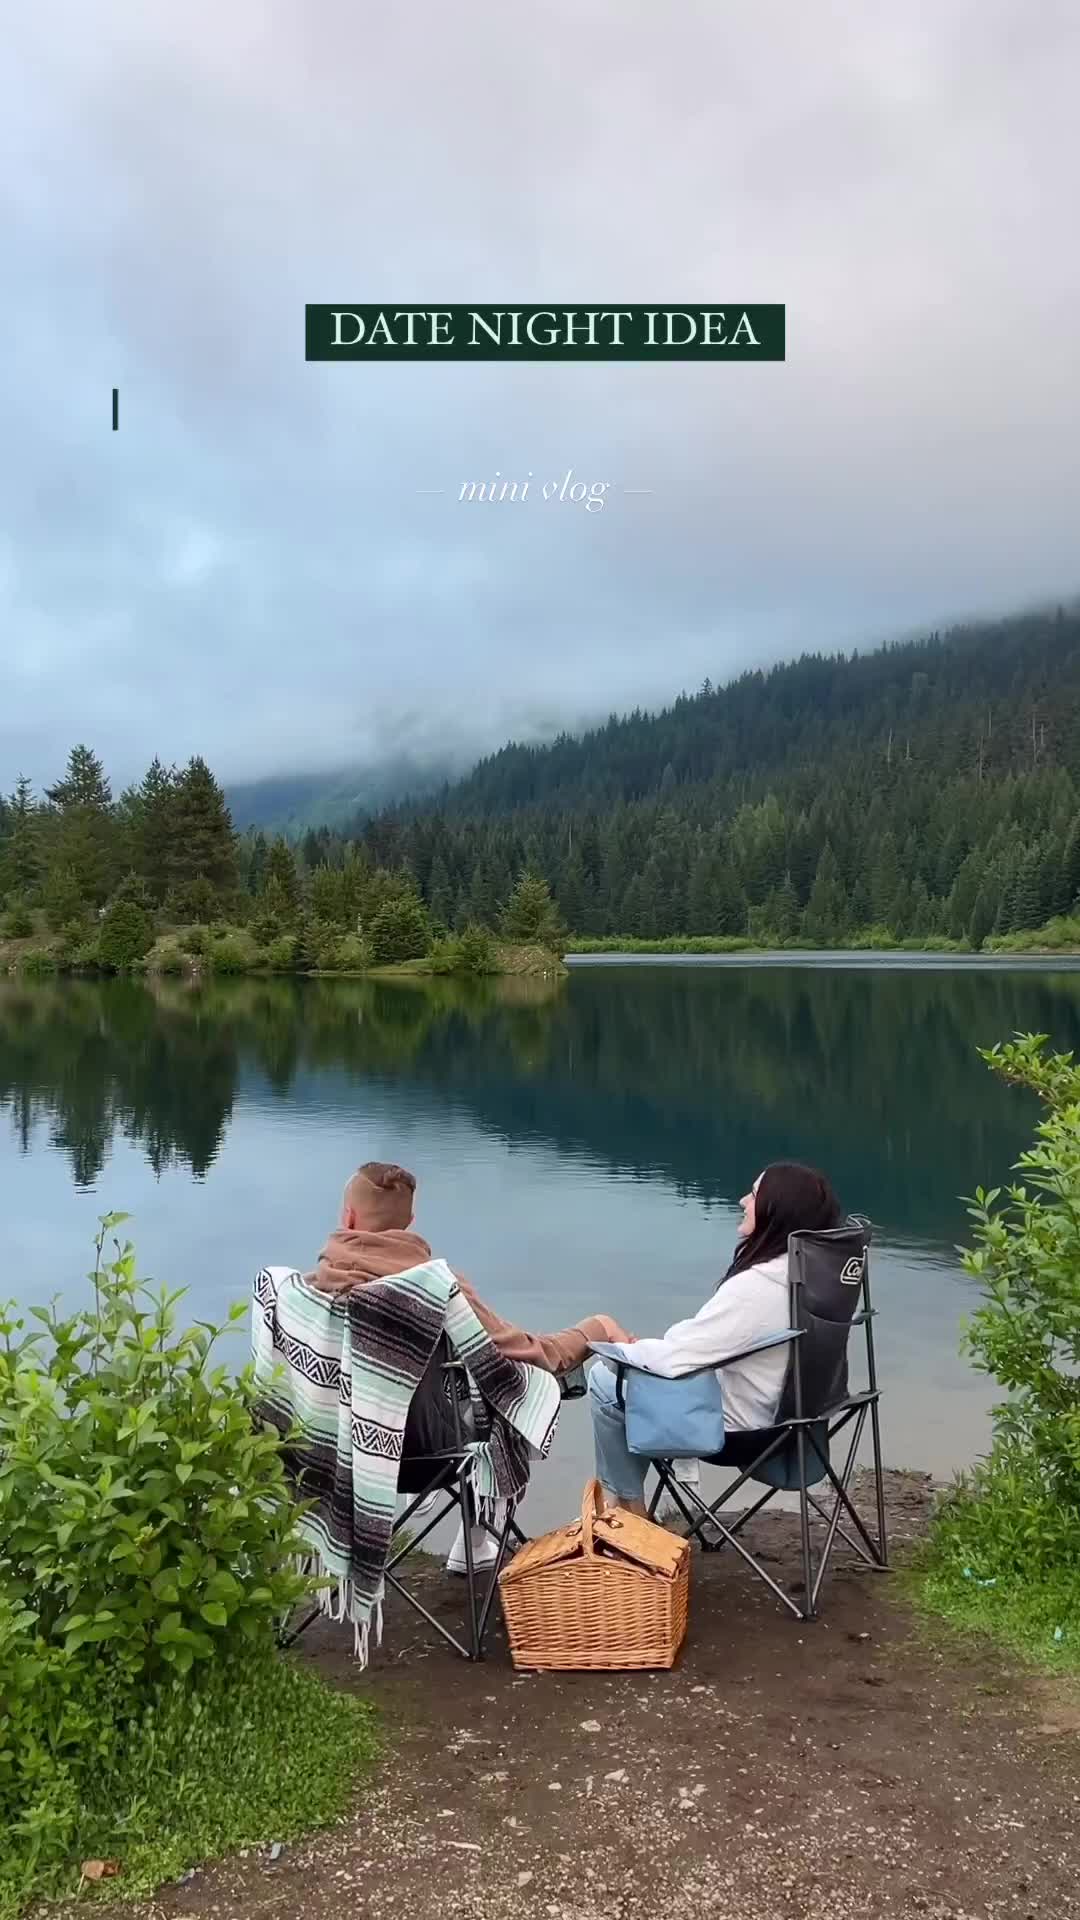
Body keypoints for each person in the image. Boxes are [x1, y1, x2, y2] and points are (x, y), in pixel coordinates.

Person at [308, 1160, 629, 1567]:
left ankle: (467, 1543)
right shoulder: (438, 1288)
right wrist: (593, 1330)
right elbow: (530, 1353)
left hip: (338, 1447)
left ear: (348, 1216)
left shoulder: (311, 1292)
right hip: (430, 1453)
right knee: (510, 1391)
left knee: (474, 1389)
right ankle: (475, 1541)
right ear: (409, 1222)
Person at [589, 1162, 842, 1516]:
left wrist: (620, 1347)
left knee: (606, 1379)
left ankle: (626, 1510)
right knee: (639, 1373)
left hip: (744, 1433)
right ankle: (624, 1503)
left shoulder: (756, 1289)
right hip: (800, 1424)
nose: (742, 1200)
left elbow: (678, 1357)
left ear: (776, 1209)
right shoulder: (816, 1281)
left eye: (753, 1194)